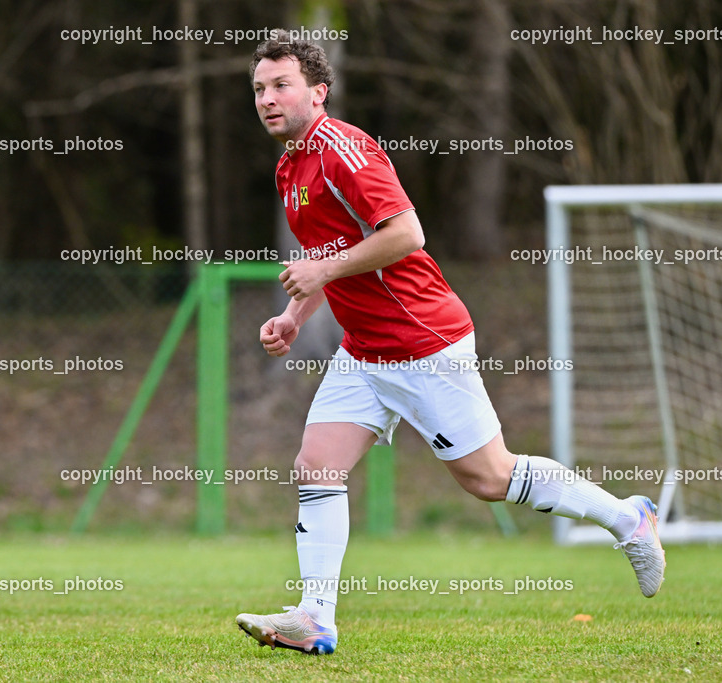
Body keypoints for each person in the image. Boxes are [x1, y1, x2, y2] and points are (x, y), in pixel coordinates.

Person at [236, 30, 665, 656]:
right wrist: (296, 316)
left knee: (490, 478)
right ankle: (316, 617)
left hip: (422, 341)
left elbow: (406, 233)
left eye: (281, 86)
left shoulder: (344, 149)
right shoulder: (289, 165)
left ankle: (629, 519)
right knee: (317, 465)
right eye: (259, 89)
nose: (268, 99)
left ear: (318, 92)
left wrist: (321, 273)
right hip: (364, 350)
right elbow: (330, 254)